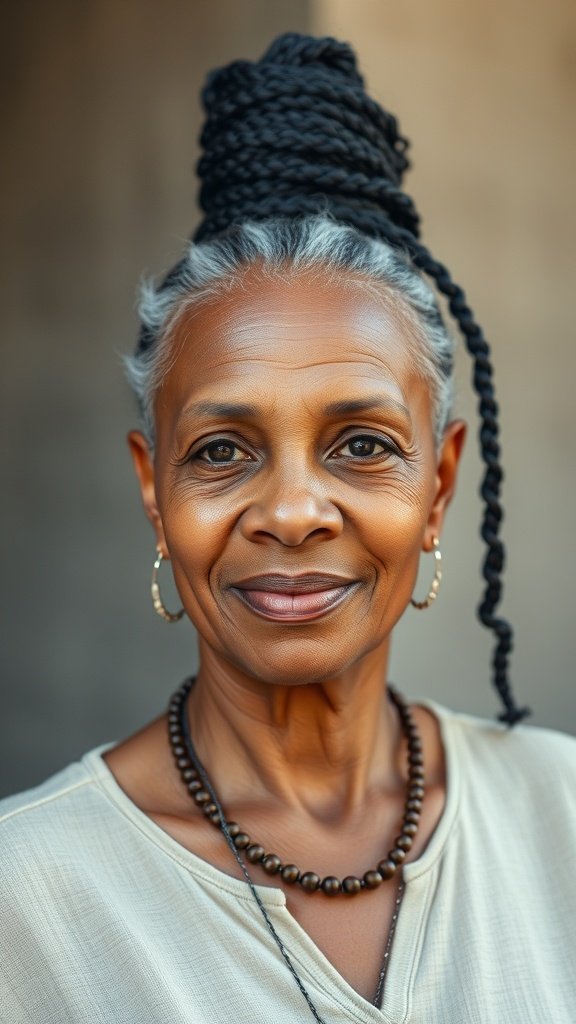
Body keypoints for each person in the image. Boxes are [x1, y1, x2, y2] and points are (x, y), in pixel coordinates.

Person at [1, 32, 574, 1024]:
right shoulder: (31, 903)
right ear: (154, 487)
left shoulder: (561, 818)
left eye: (360, 443)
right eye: (222, 450)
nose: (294, 512)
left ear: (439, 482)